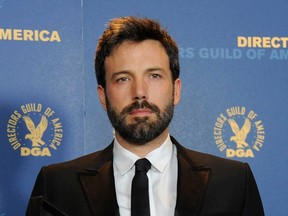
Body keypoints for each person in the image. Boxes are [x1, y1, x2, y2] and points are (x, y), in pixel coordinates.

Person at [26, 16, 264, 216]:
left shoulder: (233, 182)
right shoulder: (57, 185)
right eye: (123, 79)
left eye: (154, 76)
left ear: (176, 90)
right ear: (102, 96)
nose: (139, 92)